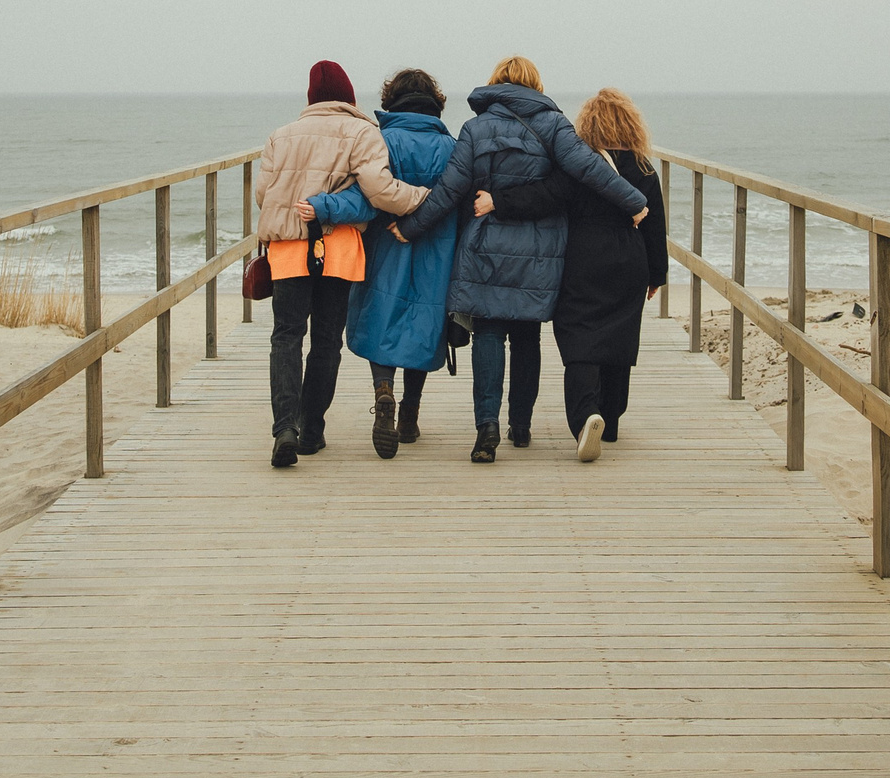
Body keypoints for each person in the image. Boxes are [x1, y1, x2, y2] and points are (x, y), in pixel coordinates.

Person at [390, 56, 646, 464]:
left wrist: (410, 227)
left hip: (485, 247)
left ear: (495, 85)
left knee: (488, 334)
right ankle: (521, 426)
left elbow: (450, 189)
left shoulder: (475, 129)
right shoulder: (554, 125)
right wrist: (634, 201)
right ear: (535, 85)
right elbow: (588, 169)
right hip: (540, 253)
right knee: (527, 336)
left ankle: (486, 426)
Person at [256, 61, 433, 469]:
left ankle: (285, 427)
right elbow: (381, 191)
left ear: (310, 98)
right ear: (349, 96)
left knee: (285, 336)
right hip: (336, 250)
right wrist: (425, 198)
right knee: (325, 341)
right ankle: (312, 430)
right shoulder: (362, 133)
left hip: (286, 250)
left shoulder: (279, 136)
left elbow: (264, 194)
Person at [479, 88, 667, 462]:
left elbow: (545, 195)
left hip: (584, 257)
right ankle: (610, 419)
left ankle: (585, 419)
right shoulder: (644, 167)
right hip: (630, 258)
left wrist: (498, 201)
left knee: (581, 337)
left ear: (588, 126)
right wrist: (656, 274)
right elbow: (655, 224)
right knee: (619, 338)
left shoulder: (580, 164)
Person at [298, 69, 461, 459]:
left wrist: (323, 206)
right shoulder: (453, 147)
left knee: (380, 320)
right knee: (424, 326)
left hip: (384, 246)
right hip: (436, 253)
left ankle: (382, 391)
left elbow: (362, 198)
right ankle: (409, 414)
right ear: (435, 103)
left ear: (391, 100)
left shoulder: (380, 141)